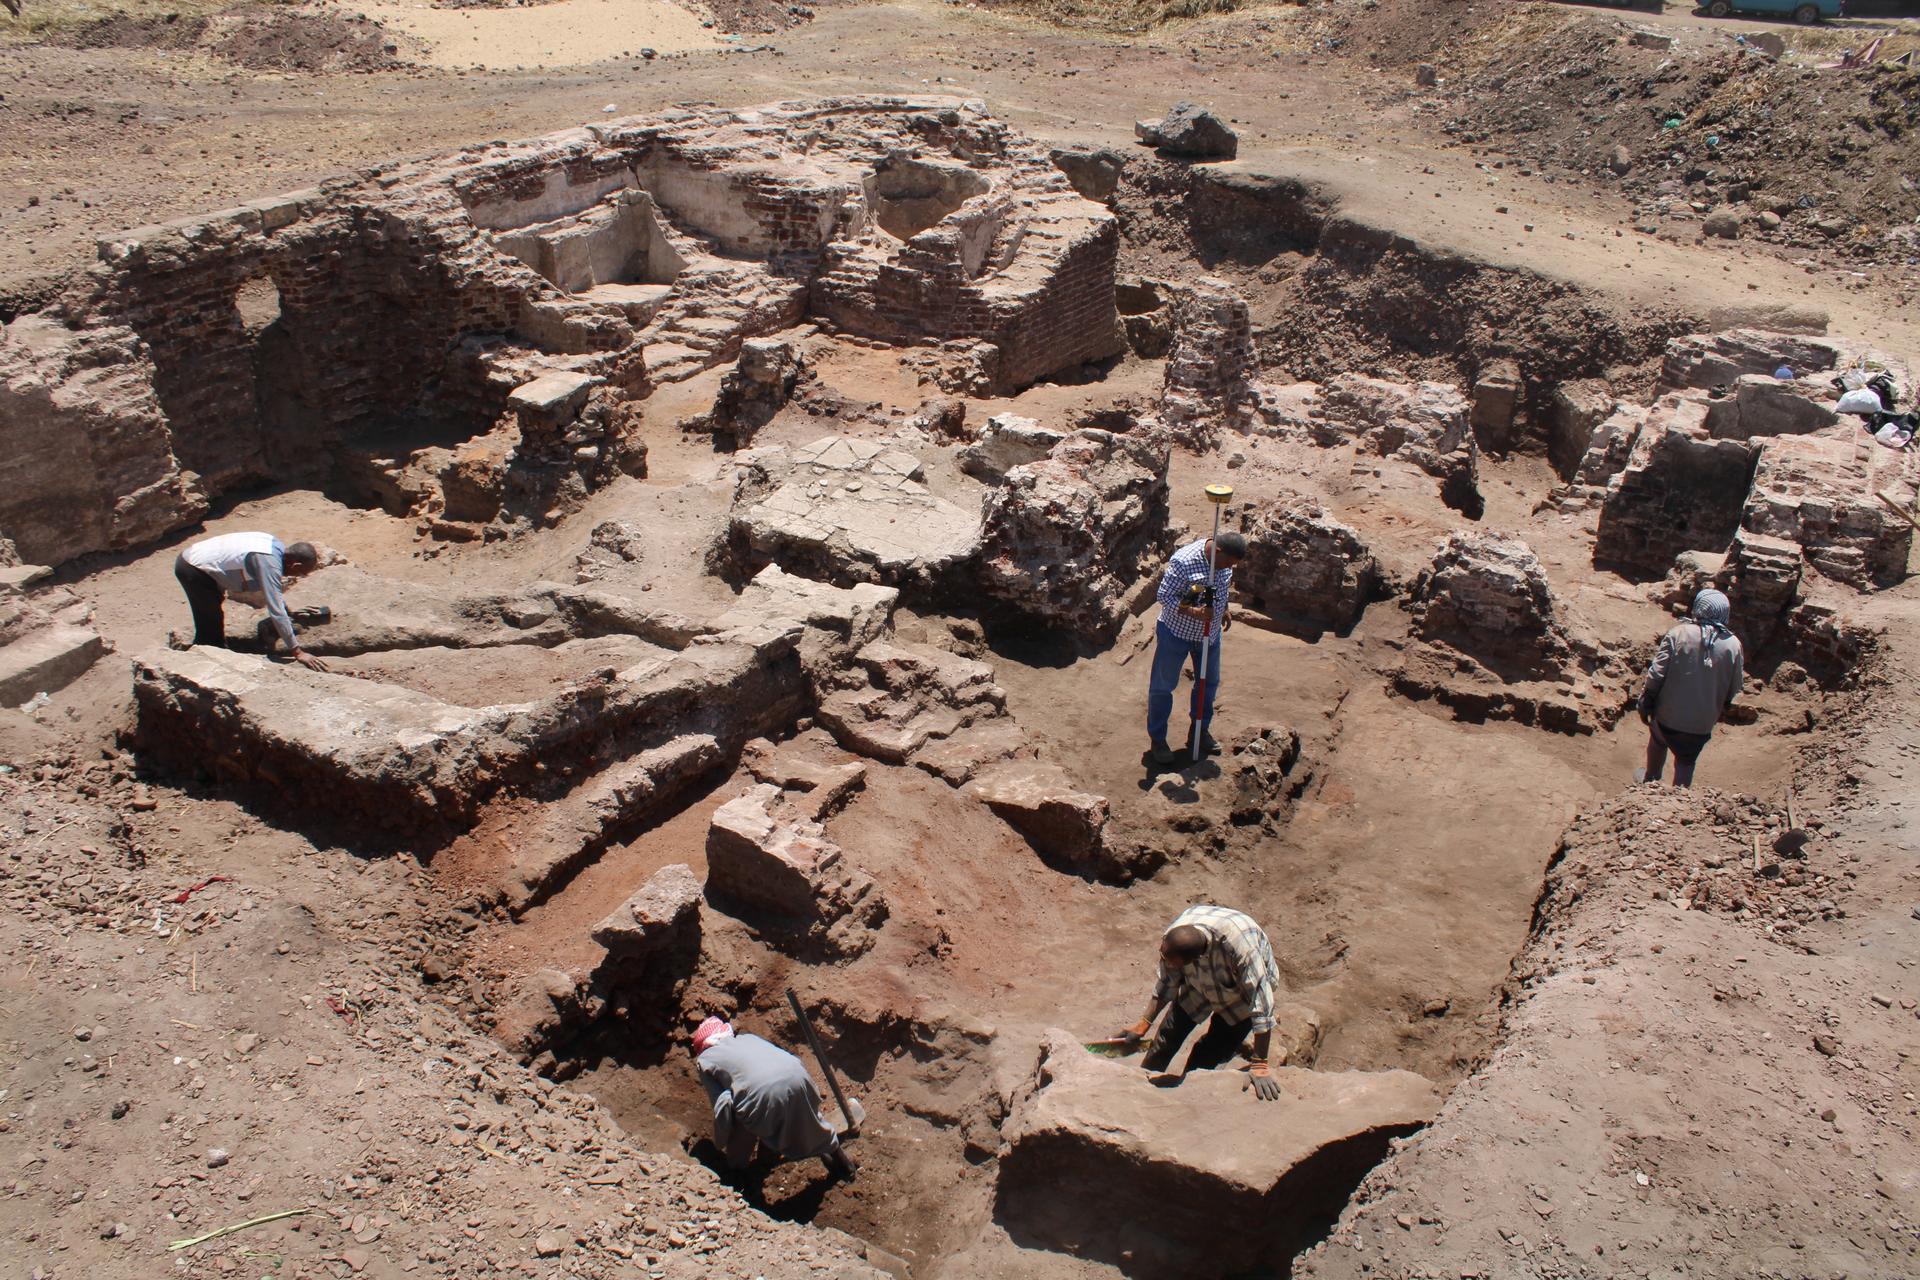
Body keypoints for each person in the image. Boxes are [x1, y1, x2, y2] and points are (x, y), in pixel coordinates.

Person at [1113, 904, 1282, 1102]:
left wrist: (1260, 1063)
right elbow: (1167, 982)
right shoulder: (1174, 938)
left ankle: (1182, 1100)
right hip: (1197, 985)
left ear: (1196, 958)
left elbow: (1261, 1003)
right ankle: (1140, 1090)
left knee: (1207, 1057)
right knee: (1167, 1037)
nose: (1167, 963)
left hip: (1239, 992)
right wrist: (1144, 1023)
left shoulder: (1242, 949)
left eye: (1174, 963)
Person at [691, 1017, 855, 1180]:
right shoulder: (748, 1038)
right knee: (808, 1118)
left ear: (703, 1046)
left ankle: (738, 1173)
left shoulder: (705, 1060)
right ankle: (843, 1163)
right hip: (799, 1076)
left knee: (741, 1118)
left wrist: (721, 1141)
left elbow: (723, 1104)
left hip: (763, 1096)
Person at [1146, 530, 1248, 765]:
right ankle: (1158, 739)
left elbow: (1221, 586)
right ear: (1217, 551)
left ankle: (1199, 731)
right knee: (1163, 687)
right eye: (1227, 563)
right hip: (1176, 633)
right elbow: (1164, 596)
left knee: (1208, 683)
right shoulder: (1184, 561)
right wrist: (1194, 612)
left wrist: (1222, 608)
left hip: (1209, 636)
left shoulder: (1223, 563)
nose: (1228, 568)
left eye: (1232, 565)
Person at [1636, 588, 1745, 788]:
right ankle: (1680, 795)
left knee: (1658, 741)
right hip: (1701, 725)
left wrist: (1646, 701)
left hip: (1667, 717)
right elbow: (1735, 687)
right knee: (1686, 760)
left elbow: (1656, 673)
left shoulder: (1679, 633)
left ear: (1699, 607)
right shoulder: (1733, 645)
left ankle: (1650, 783)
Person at [174, 532, 329, 671]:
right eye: (301, 573)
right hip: (193, 568)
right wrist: (298, 652)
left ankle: (209, 654)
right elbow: (275, 609)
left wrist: (288, 612)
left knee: (212, 616)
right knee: (210, 623)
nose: (299, 576)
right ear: (295, 564)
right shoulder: (269, 563)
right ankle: (199, 666)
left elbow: (274, 597)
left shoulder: (276, 548)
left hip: (201, 563)